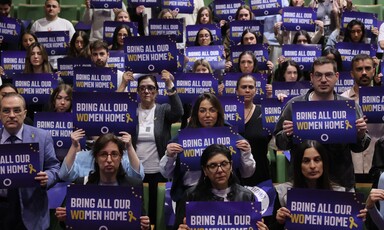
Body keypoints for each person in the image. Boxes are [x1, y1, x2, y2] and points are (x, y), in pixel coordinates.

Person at [273, 57, 371, 191]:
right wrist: (287, 134)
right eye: (318, 75)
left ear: (336, 76)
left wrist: (360, 135)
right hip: (303, 184)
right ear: (311, 77)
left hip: (341, 181)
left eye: (328, 75)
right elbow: (279, 143)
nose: (323, 80)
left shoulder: (350, 107)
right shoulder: (294, 105)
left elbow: (359, 147)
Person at [160, 93, 255, 203]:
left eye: (212, 110)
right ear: (196, 114)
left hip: (226, 196)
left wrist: (246, 152)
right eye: (202, 111)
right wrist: (169, 156)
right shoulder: (182, 138)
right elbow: (166, 174)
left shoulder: (232, 136)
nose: (208, 115)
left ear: (218, 113)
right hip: (191, 195)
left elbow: (247, 173)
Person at [120, 73, 183, 226]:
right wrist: (122, 84)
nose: (146, 91)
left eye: (150, 88)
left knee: (154, 215)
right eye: (142, 88)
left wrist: (169, 84)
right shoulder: (130, 111)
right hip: (133, 171)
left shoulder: (163, 110)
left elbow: (179, 112)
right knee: (135, 215)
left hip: (157, 172)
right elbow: (114, 107)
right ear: (137, 91)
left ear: (156, 91)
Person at [55, 133, 150, 230]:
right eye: (103, 154)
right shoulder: (82, 183)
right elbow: (69, 225)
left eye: (114, 154)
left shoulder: (133, 186)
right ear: (96, 158)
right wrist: (64, 218)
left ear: (121, 157)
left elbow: (140, 223)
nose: (109, 160)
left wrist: (145, 225)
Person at [270, 140, 367, 229]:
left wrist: (357, 219)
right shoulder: (281, 193)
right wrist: (279, 222)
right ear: (298, 165)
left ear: (324, 163)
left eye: (317, 160)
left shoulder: (342, 193)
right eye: (306, 161)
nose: (312, 166)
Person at [0, 93, 60, 230]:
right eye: (6, 110)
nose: (11, 115)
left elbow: (54, 167)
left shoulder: (42, 136)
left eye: (17, 110)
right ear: (0, 114)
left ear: (25, 113)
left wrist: (48, 177)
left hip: (32, 211)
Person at [174, 144, 267, 230]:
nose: (220, 170)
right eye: (213, 165)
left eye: (224, 164)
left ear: (231, 166)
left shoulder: (246, 196)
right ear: (205, 170)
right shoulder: (191, 196)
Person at [341, 54, 384, 175]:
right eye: (359, 69)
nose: (364, 72)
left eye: (368, 68)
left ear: (374, 71)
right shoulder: (342, 100)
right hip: (350, 165)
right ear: (351, 73)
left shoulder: (383, 97)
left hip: (378, 164)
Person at [236, 74, 272, 185]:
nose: (247, 90)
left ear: (256, 90)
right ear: (236, 90)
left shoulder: (265, 112)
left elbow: (278, 142)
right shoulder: (226, 114)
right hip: (234, 175)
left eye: (251, 87)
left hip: (260, 173)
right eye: (244, 87)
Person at [30, 0, 76, 69]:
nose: (51, 8)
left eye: (54, 6)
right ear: (44, 8)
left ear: (59, 9)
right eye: (48, 6)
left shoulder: (67, 24)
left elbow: (74, 43)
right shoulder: (37, 24)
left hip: (62, 65)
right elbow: (32, 45)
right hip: (42, 66)